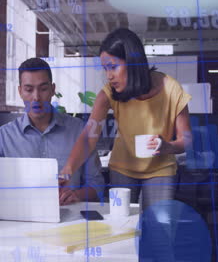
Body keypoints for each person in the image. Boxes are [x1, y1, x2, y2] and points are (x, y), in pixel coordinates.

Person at [59, 28, 192, 211]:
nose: (109, 75)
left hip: (161, 169)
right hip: (122, 168)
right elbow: (88, 138)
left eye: (113, 67)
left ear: (132, 62)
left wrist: (168, 147)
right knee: (121, 224)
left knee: (159, 228)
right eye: (105, 69)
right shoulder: (108, 94)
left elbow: (187, 139)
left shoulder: (171, 89)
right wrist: (66, 172)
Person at [0, 58, 104, 206]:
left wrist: (76, 195)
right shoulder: (3, 138)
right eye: (29, 89)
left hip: (68, 218)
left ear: (53, 89)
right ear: (20, 91)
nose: (36, 97)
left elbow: (97, 185)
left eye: (43, 89)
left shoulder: (78, 131)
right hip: (19, 218)